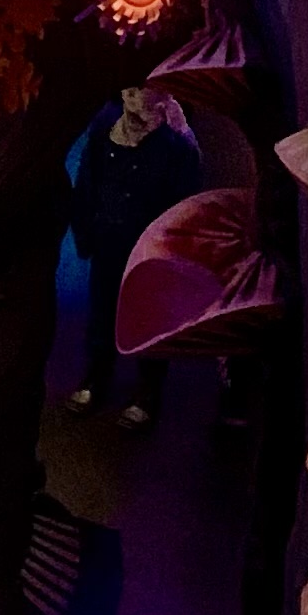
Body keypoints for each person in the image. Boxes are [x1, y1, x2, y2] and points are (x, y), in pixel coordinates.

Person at [66, 82, 202, 431]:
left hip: (150, 250)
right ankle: (97, 375)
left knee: (150, 316)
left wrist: (170, 253)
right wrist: (86, 231)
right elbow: (87, 185)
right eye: (131, 88)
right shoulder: (104, 132)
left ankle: (148, 391)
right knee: (103, 310)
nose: (134, 94)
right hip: (109, 239)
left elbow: (185, 206)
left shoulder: (176, 147)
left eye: (144, 89)